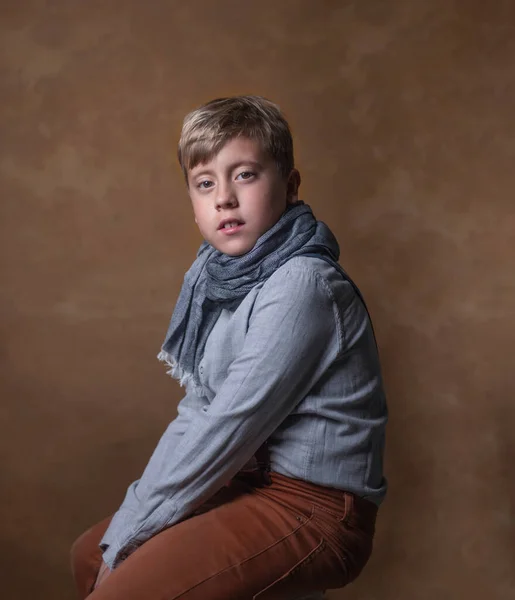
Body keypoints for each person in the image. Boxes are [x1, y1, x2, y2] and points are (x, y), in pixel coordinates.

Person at [70, 95, 388, 600]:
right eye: (204, 183)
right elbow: (198, 413)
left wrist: (131, 540)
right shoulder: (216, 282)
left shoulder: (302, 283)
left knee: (122, 584)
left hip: (315, 506)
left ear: (290, 185)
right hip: (249, 484)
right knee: (90, 554)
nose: (223, 198)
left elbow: (229, 427)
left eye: (244, 175)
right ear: (194, 205)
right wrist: (127, 530)